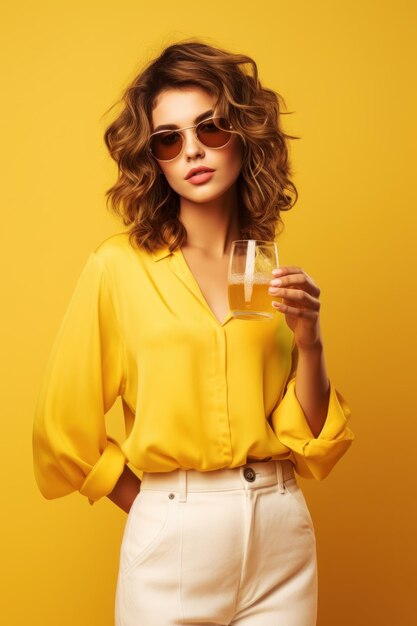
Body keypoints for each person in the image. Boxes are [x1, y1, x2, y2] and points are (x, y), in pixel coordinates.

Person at [32, 40, 354, 626]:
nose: (193, 151)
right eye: (169, 138)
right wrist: (158, 510)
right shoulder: (118, 267)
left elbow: (307, 441)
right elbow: (63, 431)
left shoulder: (262, 268)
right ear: (152, 156)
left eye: (211, 128)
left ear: (244, 134)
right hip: (175, 534)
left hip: (281, 529)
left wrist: (310, 341)